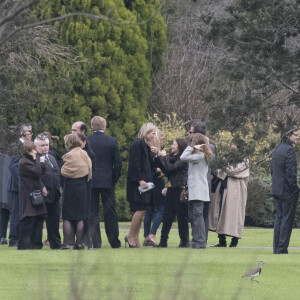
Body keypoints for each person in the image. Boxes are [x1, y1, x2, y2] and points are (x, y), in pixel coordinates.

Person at [87, 116, 122, 248]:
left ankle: (96, 242)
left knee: (93, 211)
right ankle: (114, 241)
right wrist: (114, 178)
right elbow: (118, 163)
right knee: (110, 211)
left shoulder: (87, 141)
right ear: (104, 127)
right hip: (107, 181)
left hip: (91, 180)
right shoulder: (112, 141)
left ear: (92, 127)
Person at [209, 144, 249, 248]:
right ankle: (222, 241)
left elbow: (234, 170)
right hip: (222, 189)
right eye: (232, 144)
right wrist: (222, 170)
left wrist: (222, 169)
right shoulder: (225, 157)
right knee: (220, 213)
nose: (232, 147)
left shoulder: (244, 160)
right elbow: (217, 169)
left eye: (235, 145)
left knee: (234, 215)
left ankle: (234, 241)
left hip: (236, 192)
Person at [126, 122, 157, 248]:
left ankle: (134, 237)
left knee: (142, 209)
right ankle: (130, 236)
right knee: (140, 209)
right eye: (151, 133)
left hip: (145, 182)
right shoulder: (138, 144)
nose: (153, 136)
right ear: (145, 133)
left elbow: (148, 164)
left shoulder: (145, 145)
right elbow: (135, 163)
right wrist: (139, 179)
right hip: (139, 183)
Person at [180, 133, 213, 249]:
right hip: (196, 190)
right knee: (194, 217)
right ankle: (196, 240)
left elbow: (183, 157)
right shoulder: (201, 155)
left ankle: (200, 241)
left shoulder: (199, 156)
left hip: (198, 191)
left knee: (197, 216)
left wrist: (192, 148)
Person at [155, 138, 189, 248]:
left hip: (180, 190)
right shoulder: (173, 157)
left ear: (180, 146)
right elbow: (165, 167)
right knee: (167, 216)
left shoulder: (184, 158)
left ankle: (184, 241)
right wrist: (158, 155)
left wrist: (163, 157)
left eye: (174, 144)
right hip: (171, 189)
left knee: (182, 217)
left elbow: (170, 168)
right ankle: (163, 241)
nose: (172, 145)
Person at [61, 134, 92, 250]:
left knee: (67, 217)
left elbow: (63, 171)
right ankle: (80, 243)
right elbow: (89, 169)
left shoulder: (68, 155)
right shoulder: (84, 154)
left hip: (70, 186)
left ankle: (66, 243)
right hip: (82, 186)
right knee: (80, 217)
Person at [271, 126, 299, 254]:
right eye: (295, 134)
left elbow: (272, 170)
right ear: (288, 135)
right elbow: (291, 173)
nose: (297, 137)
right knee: (286, 219)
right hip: (287, 190)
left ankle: (277, 247)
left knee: (279, 219)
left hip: (277, 188)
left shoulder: (277, 149)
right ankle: (282, 248)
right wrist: (295, 189)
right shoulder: (289, 150)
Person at [188, 120, 215, 241]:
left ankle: (201, 239)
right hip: (195, 183)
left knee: (201, 213)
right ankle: (197, 237)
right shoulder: (191, 146)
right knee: (194, 213)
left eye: (191, 132)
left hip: (203, 184)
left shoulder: (209, 148)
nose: (189, 134)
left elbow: (213, 167)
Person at [18, 141, 47, 250]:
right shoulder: (24, 162)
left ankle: (36, 245)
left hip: (36, 195)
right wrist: (41, 163)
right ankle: (24, 246)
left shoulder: (30, 161)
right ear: (28, 151)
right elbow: (36, 172)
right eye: (33, 150)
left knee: (38, 220)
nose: (35, 152)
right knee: (29, 220)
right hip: (29, 196)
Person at [7, 123, 33, 247]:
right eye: (29, 132)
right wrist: (22, 182)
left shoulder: (27, 146)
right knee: (16, 213)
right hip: (17, 186)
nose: (31, 134)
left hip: (23, 185)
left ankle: (22, 238)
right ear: (22, 133)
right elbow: (12, 166)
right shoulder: (17, 146)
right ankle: (13, 240)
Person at [35, 134, 62, 249]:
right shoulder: (34, 159)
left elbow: (57, 173)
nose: (45, 147)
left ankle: (56, 244)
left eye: (46, 145)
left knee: (54, 221)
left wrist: (60, 186)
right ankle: (36, 244)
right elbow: (35, 175)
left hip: (54, 193)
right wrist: (42, 186)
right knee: (39, 221)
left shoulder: (51, 157)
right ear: (36, 146)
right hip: (42, 194)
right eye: (42, 145)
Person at [143, 130, 166, 246]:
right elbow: (152, 167)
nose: (163, 138)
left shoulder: (153, 150)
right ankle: (151, 235)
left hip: (152, 182)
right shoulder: (153, 151)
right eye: (161, 136)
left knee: (150, 210)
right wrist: (160, 169)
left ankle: (147, 236)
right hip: (155, 183)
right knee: (160, 209)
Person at [77, 133, 95, 249]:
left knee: (85, 213)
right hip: (76, 186)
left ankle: (87, 239)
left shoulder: (89, 155)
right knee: (77, 214)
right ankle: (80, 240)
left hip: (85, 185)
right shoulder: (69, 154)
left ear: (84, 143)